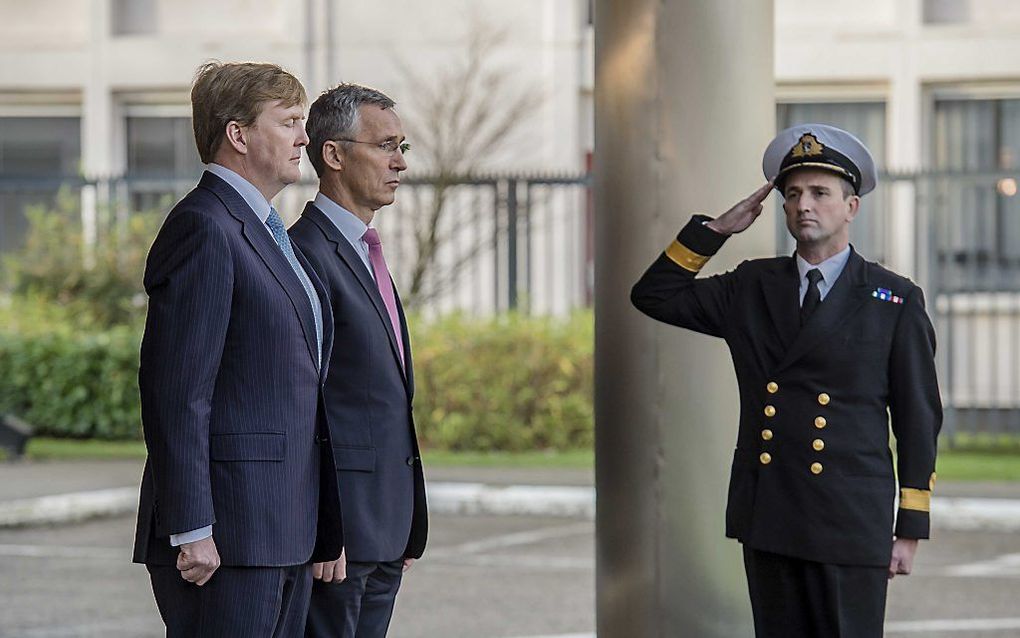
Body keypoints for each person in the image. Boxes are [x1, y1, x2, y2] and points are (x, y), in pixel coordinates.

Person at [631, 123, 941, 637]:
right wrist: (716, 230)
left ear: (851, 207)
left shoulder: (894, 300)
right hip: (772, 513)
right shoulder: (752, 286)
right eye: (792, 194)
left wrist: (909, 528)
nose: (804, 205)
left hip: (850, 520)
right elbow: (654, 295)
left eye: (820, 193)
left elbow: (918, 420)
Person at [132, 61, 343, 637]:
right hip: (226, 536)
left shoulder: (269, 233)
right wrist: (192, 524)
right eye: (290, 121)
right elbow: (177, 391)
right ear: (238, 134)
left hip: (282, 529)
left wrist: (325, 525)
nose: (306, 136)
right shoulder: (204, 227)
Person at [289, 83, 427, 638]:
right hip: (340, 539)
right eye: (386, 146)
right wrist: (327, 527)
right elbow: (304, 405)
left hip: (385, 527)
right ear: (334, 154)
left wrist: (404, 518)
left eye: (403, 146)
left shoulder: (364, 249)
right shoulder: (304, 254)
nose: (400, 162)